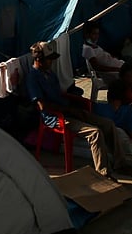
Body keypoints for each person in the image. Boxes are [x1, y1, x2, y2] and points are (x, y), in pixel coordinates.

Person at [26, 41, 125, 178]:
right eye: (49, 60)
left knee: (108, 124)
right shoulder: (33, 78)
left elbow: (60, 94)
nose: (52, 63)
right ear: (38, 60)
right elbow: (43, 106)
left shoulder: (50, 74)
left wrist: (76, 104)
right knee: (95, 133)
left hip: (68, 110)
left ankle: (121, 164)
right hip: (55, 117)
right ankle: (103, 173)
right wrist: (69, 110)